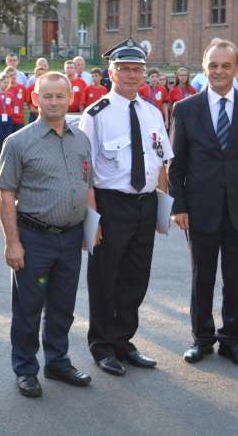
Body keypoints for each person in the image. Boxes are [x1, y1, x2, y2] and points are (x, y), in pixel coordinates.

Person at [169, 39, 238, 369]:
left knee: (237, 278)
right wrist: (178, 206)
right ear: (204, 68)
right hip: (200, 209)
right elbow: (177, 165)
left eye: (226, 65)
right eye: (213, 65)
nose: (219, 71)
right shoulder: (185, 109)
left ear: (236, 69)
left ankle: (232, 342)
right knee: (203, 277)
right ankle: (202, 338)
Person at [0, 72, 95, 399]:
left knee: (63, 305)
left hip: (71, 238)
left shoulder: (81, 139)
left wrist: (93, 225)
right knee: (28, 308)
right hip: (34, 238)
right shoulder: (19, 142)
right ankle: (25, 369)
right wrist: (12, 242)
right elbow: (6, 194)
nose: (54, 102)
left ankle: (57, 361)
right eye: (47, 96)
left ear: (71, 98)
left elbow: (87, 184)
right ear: (34, 98)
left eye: (60, 96)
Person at [78, 39, 172, 376]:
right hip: (111, 205)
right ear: (111, 73)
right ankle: (102, 345)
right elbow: (85, 172)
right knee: (106, 277)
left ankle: (123, 340)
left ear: (144, 73)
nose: (132, 75)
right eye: (125, 69)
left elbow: (162, 162)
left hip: (145, 205)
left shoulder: (152, 112)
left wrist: (162, 207)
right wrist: (93, 218)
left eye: (137, 69)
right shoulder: (96, 114)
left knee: (136, 277)